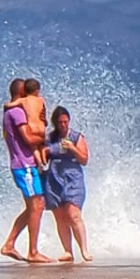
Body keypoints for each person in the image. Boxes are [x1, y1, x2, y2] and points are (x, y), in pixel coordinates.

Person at [0, 78, 51, 263]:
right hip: (24, 166)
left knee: (33, 206)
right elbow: (28, 139)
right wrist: (45, 138)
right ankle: (33, 251)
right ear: (21, 93)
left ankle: (10, 244)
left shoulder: (10, 112)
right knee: (37, 205)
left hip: (23, 165)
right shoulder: (16, 113)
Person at [43, 106, 92, 262]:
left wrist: (72, 148)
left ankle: (84, 250)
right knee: (60, 216)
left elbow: (84, 160)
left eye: (65, 122)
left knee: (73, 214)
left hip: (73, 178)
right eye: (60, 122)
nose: (63, 125)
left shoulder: (77, 137)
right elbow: (42, 157)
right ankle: (67, 251)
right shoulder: (49, 138)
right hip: (53, 177)